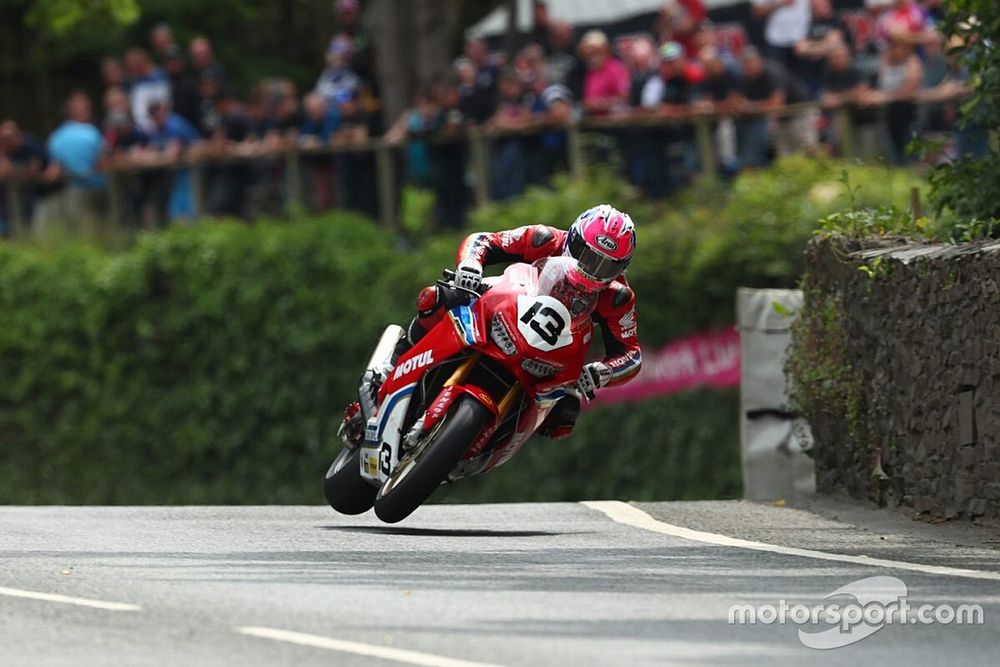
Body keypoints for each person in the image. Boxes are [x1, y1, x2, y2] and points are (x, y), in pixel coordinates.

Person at [388, 204, 642, 440]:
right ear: (573, 238)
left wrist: (603, 372)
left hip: (553, 349)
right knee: (440, 298)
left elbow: (631, 355)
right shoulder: (543, 238)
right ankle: (392, 364)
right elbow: (484, 240)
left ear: (621, 269)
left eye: (605, 267)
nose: (591, 270)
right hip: (504, 301)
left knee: (565, 413)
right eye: (586, 256)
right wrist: (471, 264)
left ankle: (489, 440)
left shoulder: (618, 297)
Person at [45, 91, 107, 231]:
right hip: (88, 190)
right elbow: (103, 161)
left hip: (86, 190)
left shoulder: (56, 136)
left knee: (84, 227)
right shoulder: (91, 132)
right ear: (71, 110)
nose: (86, 109)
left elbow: (54, 169)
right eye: (82, 106)